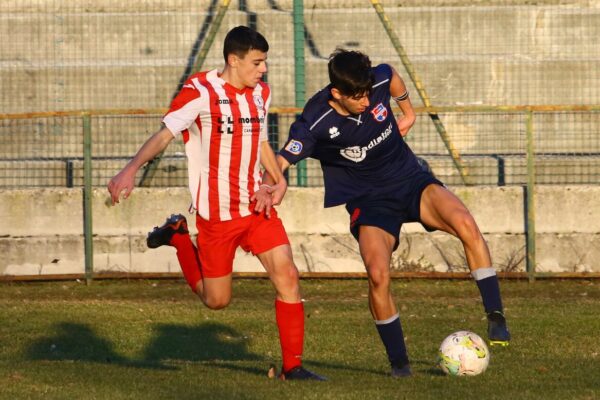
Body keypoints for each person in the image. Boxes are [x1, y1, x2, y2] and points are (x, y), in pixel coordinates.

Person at [261, 49, 510, 377]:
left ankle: (495, 315)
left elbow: (391, 74)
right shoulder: (316, 121)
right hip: (370, 202)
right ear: (337, 93)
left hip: (410, 180)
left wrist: (408, 112)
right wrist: (272, 184)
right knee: (378, 273)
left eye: (368, 94)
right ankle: (400, 365)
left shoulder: (375, 79)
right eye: (357, 97)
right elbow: (281, 159)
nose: (366, 101)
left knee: (465, 222)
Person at [107, 26, 325, 381]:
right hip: (216, 217)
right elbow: (165, 134)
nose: (263, 69)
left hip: (256, 207)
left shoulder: (261, 93)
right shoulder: (199, 92)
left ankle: (292, 367)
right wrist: (130, 169)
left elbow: (260, 142)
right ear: (233, 61)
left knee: (288, 275)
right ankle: (179, 237)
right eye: (257, 62)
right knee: (216, 300)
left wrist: (278, 179)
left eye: (265, 62)